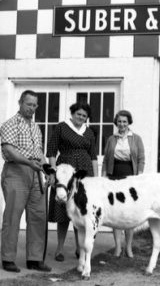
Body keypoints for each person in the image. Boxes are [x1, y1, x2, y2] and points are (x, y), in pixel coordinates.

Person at [0, 90, 51, 272]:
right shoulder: (10, 124)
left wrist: (48, 171)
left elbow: (39, 154)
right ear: (20, 102)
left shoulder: (36, 128)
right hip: (16, 171)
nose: (32, 108)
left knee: (38, 216)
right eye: (29, 104)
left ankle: (34, 259)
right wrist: (30, 163)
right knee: (13, 216)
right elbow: (9, 150)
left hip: (36, 173)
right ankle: (7, 259)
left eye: (35, 105)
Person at [47, 102, 98, 262]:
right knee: (63, 210)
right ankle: (59, 249)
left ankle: (79, 248)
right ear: (72, 113)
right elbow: (52, 150)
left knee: (81, 210)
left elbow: (93, 156)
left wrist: (95, 178)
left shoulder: (89, 132)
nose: (81, 118)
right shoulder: (61, 127)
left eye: (84, 116)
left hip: (84, 172)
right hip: (64, 172)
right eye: (79, 114)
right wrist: (54, 172)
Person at [102, 110, 145, 258]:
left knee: (129, 211)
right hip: (114, 175)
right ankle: (118, 247)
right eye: (119, 121)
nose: (122, 124)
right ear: (116, 122)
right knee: (115, 211)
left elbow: (141, 158)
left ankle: (129, 247)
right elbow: (106, 159)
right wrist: (103, 177)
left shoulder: (136, 139)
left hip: (130, 176)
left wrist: (138, 177)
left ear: (129, 123)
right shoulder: (111, 139)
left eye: (124, 121)